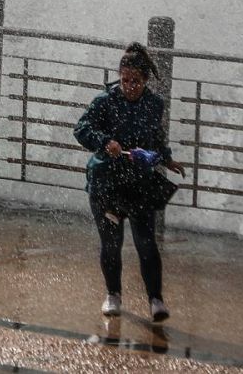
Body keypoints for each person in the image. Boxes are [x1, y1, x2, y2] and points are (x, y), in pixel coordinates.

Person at [73, 42, 185, 321]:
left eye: (135, 81)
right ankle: (113, 295)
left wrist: (166, 158)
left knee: (146, 243)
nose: (129, 86)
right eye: (125, 80)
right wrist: (104, 141)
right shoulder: (105, 101)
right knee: (111, 243)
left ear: (146, 80)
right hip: (106, 182)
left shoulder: (153, 104)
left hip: (138, 184)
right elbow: (81, 129)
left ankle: (156, 300)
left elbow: (155, 139)